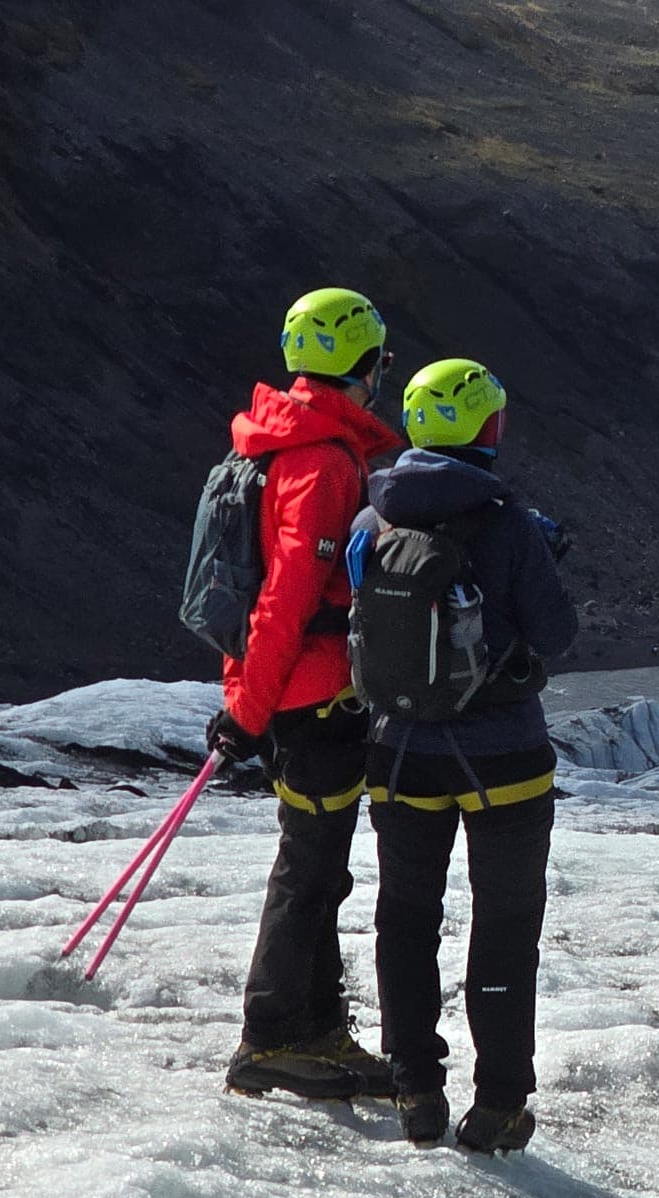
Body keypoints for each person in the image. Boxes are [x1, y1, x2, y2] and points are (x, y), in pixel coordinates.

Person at [352, 357, 576, 1151]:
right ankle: (499, 1104)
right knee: (504, 926)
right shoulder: (509, 523)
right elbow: (556, 634)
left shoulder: (372, 518)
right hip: (504, 756)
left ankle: (414, 1085)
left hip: (400, 751)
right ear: (489, 425)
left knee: (405, 919)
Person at [207, 287, 400, 1100]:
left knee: (319, 864)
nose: (382, 374)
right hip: (314, 695)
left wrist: (250, 704)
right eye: (378, 361)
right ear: (359, 366)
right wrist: (246, 714)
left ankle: (319, 1026)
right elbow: (287, 599)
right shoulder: (322, 460)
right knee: (309, 866)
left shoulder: (284, 442)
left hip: (299, 693)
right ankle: (272, 1032)